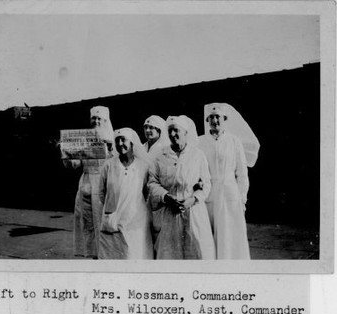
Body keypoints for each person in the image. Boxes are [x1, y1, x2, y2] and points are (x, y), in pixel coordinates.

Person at [148, 115, 215, 259]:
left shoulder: (197, 155)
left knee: (197, 251)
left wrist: (194, 199)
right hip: (170, 211)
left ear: (185, 133)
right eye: (170, 131)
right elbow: (152, 182)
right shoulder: (161, 156)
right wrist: (166, 196)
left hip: (194, 211)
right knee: (170, 253)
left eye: (176, 130)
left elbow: (206, 183)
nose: (172, 134)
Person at [198, 103, 260, 259]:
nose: (214, 121)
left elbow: (242, 173)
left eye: (217, 117)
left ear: (224, 119)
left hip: (230, 195)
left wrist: (242, 198)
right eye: (211, 118)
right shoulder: (201, 142)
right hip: (209, 195)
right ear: (207, 121)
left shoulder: (234, 141)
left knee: (230, 236)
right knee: (210, 236)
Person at [65, 106, 114, 258]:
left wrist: (110, 146)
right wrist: (66, 154)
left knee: (102, 221)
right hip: (86, 184)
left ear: (105, 120)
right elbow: (75, 164)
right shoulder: (84, 139)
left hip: (103, 184)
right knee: (87, 223)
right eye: (94, 118)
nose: (96, 121)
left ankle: (105, 254)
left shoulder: (112, 139)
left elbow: (117, 161)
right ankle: (91, 254)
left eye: (100, 119)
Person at [97, 128, 153, 259]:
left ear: (132, 143)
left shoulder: (143, 166)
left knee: (134, 255)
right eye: (117, 140)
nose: (120, 143)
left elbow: (147, 192)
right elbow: (101, 192)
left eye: (123, 140)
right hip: (113, 220)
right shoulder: (108, 165)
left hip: (136, 221)